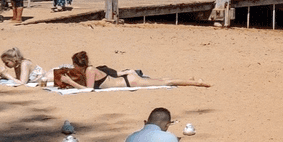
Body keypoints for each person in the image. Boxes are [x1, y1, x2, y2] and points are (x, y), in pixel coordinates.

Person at [51, 51, 211, 90]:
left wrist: (70, 81)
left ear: (78, 64)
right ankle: (189, 79)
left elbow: (89, 90)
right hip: (127, 77)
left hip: (130, 81)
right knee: (161, 80)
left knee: (165, 82)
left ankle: (197, 83)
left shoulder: (91, 71)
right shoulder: (89, 69)